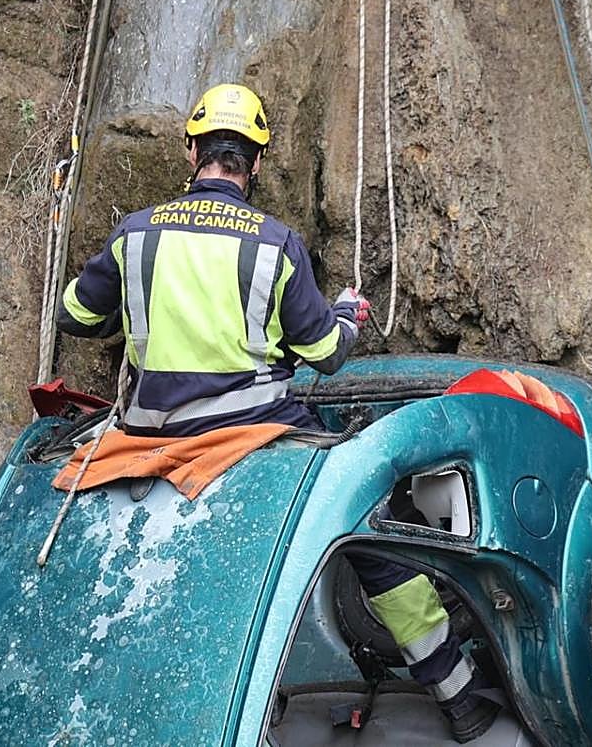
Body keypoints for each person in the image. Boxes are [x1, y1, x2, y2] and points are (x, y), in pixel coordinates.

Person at [57, 83, 497, 741]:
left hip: (147, 436)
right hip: (254, 433)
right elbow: (324, 354)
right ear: (256, 161)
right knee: (373, 532)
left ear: (192, 149)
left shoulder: (135, 233)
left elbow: (76, 314)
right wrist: (347, 313)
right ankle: (457, 695)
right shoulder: (274, 243)